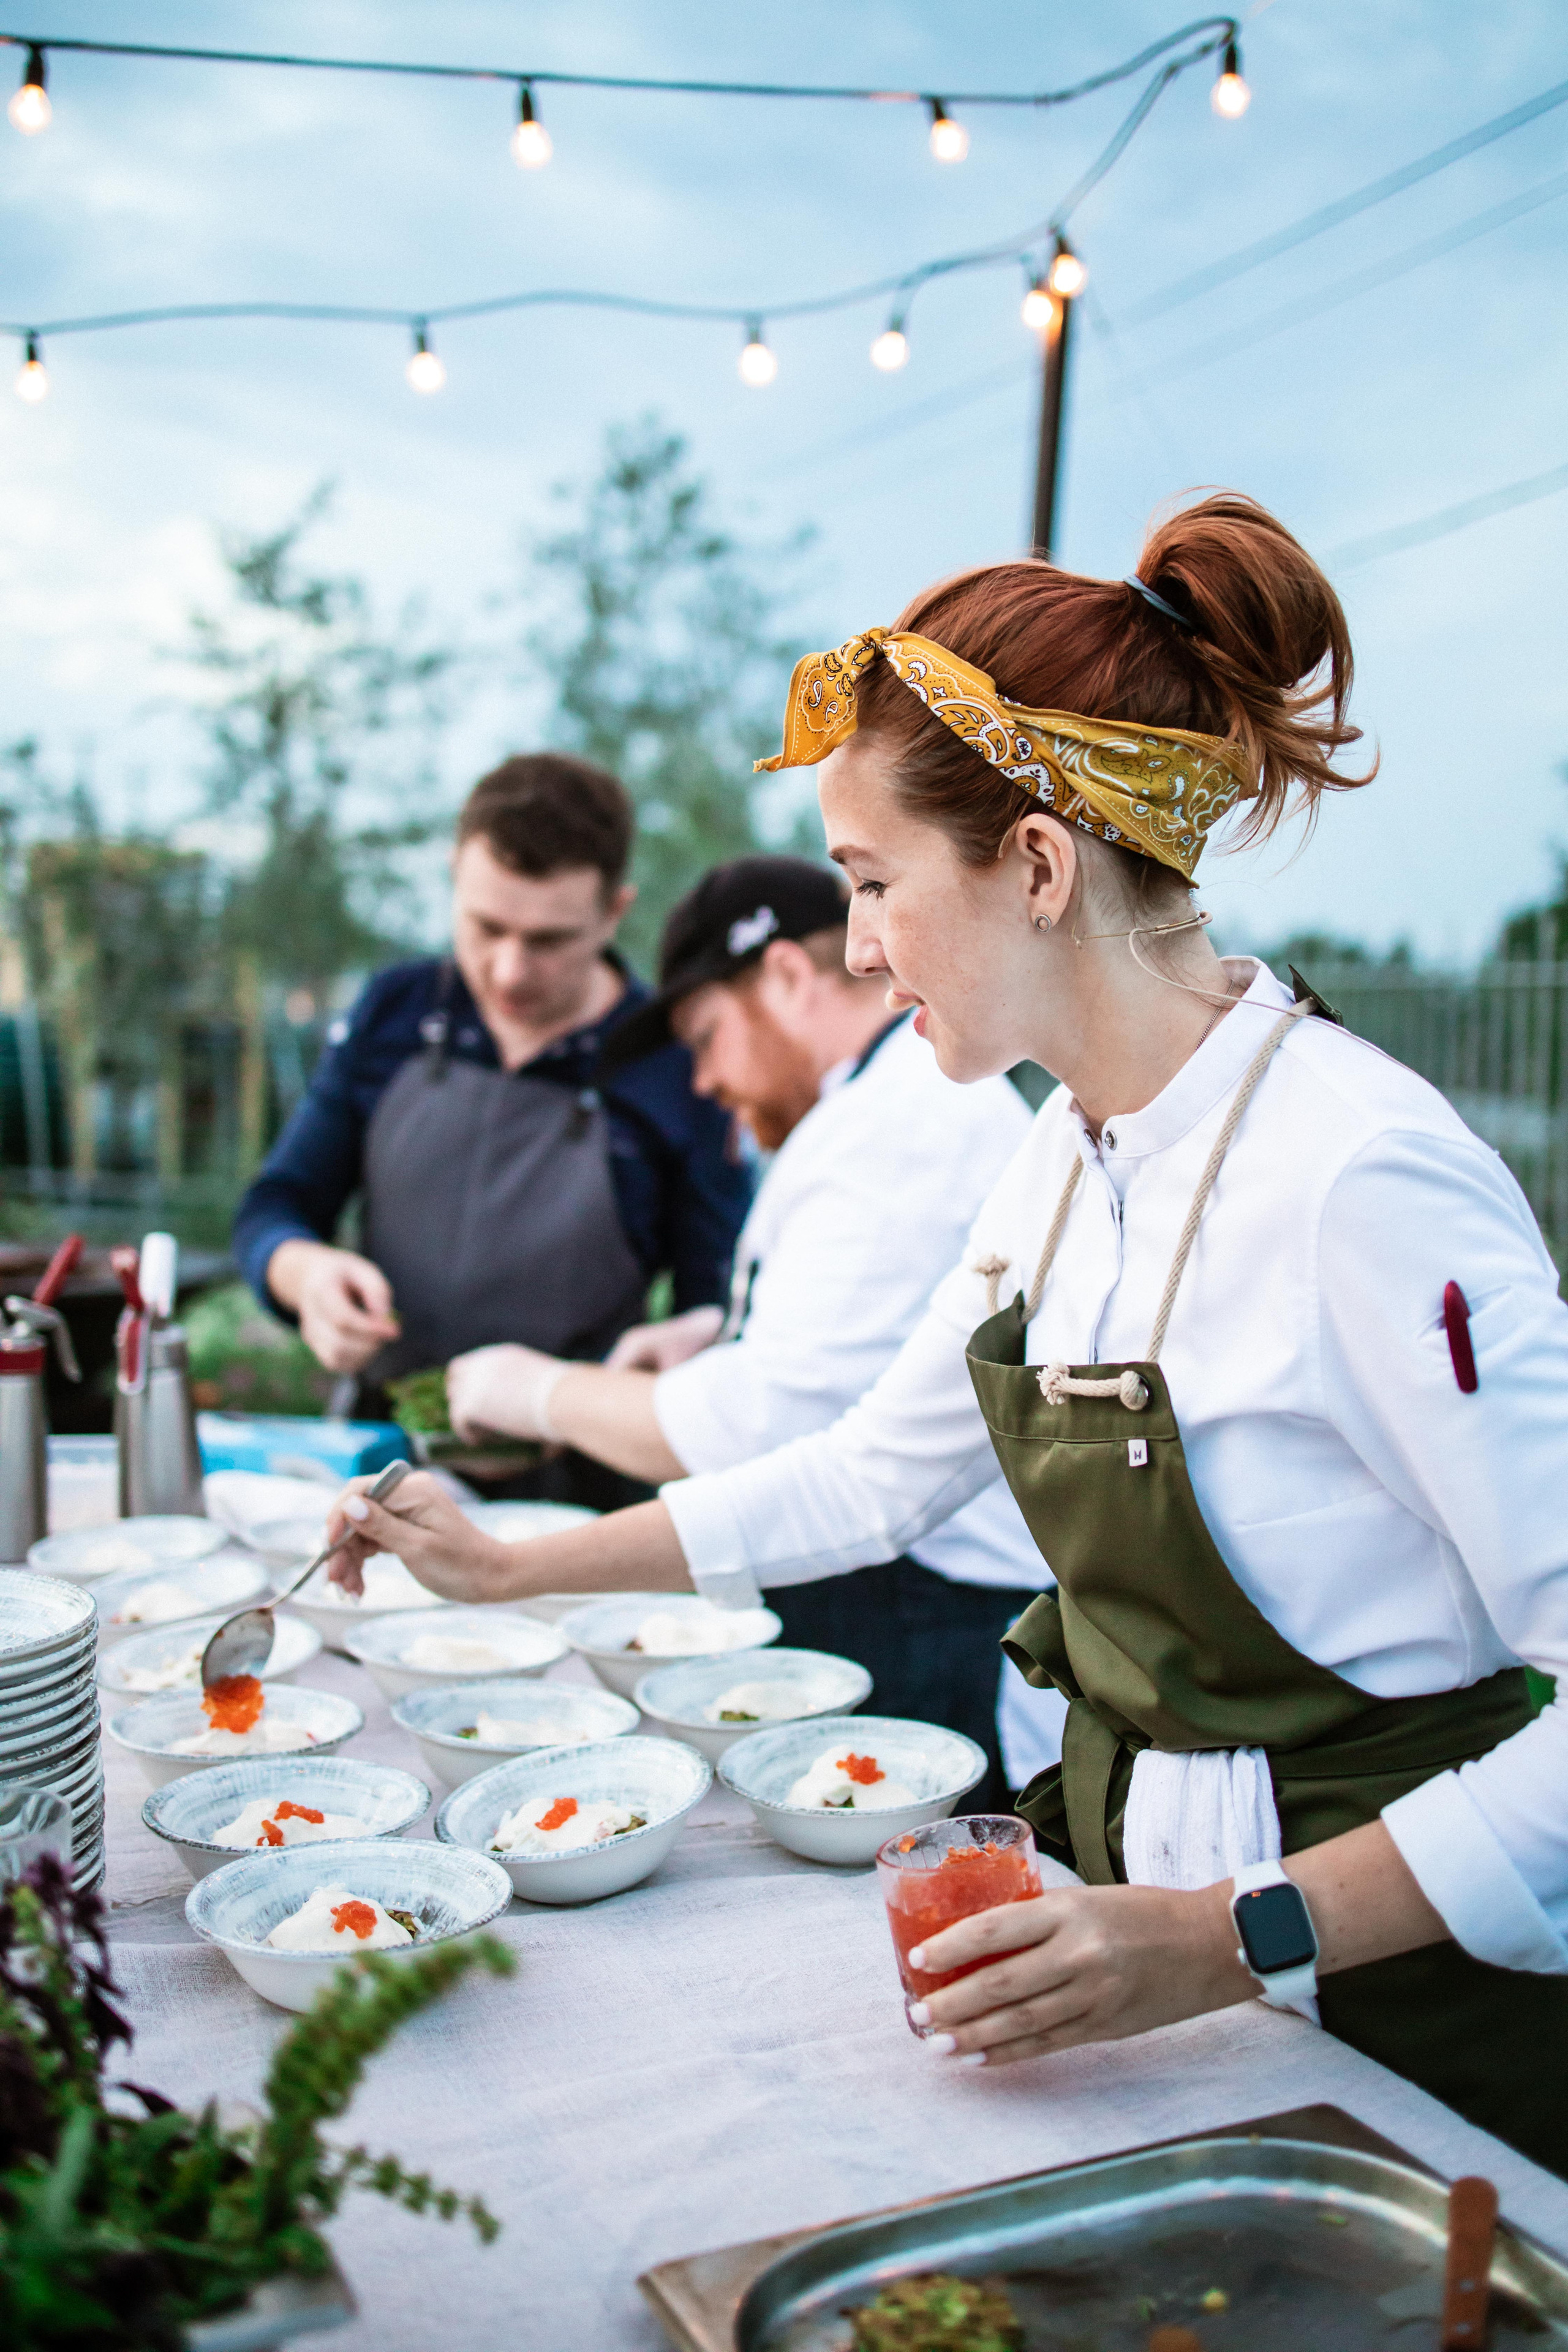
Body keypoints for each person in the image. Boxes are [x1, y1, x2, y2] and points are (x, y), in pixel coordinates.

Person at [325, 495, 1568, 2174]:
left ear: (1039, 867)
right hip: (1159, 1967)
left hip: (1404, 2032)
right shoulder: (1068, 1159)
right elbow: (867, 1478)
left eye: (872, 882)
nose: (848, 946)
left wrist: (1226, 1938)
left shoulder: (1366, 1175)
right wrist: (504, 1569)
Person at [440, 852, 1061, 1804]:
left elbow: (753, 1426)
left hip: (930, 1621)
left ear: (783, 977)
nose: (702, 1081)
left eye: (706, 1036)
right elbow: (864, 1345)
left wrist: (534, 1391)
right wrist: (716, 1331)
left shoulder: (895, 1128)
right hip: (904, 1593)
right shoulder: (874, 1105)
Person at [233, 752, 750, 1508]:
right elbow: (273, 1207)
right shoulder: (394, 1011)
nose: (509, 971)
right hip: (384, 1465)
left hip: (582, 1494)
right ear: (453, 877)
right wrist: (304, 1275)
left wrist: (646, 1378)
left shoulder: (676, 1068)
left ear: (614, 911)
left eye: (549, 940)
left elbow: (722, 1306)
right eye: (486, 927)